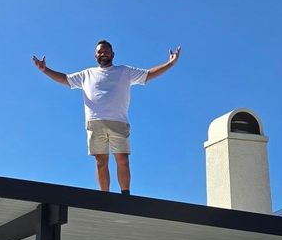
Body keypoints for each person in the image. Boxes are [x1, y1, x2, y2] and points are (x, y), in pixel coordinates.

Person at [32, 40, 181, 193]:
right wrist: (45, 70)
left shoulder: (125, 71)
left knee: (122, 159)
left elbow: (148, 74)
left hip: (119, 122)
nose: (103, 54)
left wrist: (170, 63)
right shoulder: (86, 74)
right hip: (95, 122)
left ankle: (125, 195)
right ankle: (105, 197)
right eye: (100, 52)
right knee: (100, 161)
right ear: (95, 55)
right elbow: (65, 79)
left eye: (106, 51)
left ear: (113, 54)